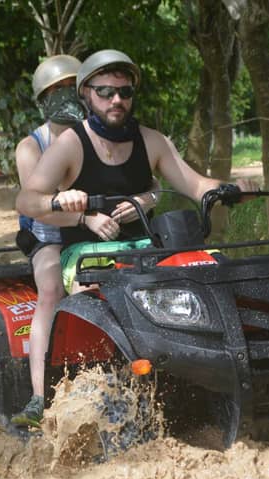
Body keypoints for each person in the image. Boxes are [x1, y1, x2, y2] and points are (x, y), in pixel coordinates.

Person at [14, 49, 256, 426]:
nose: (116, 100)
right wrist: (67, 203)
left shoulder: (152, 141)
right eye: (106, 92)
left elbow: (194, 184)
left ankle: (220, 367)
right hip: (84, 250)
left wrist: (230, 189)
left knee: (208, 268)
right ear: (87, 95)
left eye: (124, 93)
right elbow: (28, 199)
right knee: (69, 293)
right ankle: (45, 393)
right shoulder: (68, 144)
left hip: (145, 247)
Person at [9, 54, 161, 428]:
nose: (62, 97)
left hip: (97, 227)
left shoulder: (103, 133)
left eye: (68, 88)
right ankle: (39, 394)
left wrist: (143, 200)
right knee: (49, 289)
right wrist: (84, 215)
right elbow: (40, 202)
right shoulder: (32, 146)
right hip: (49, 229)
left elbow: (146, 184)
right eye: (53, 91)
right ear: (42, 99)